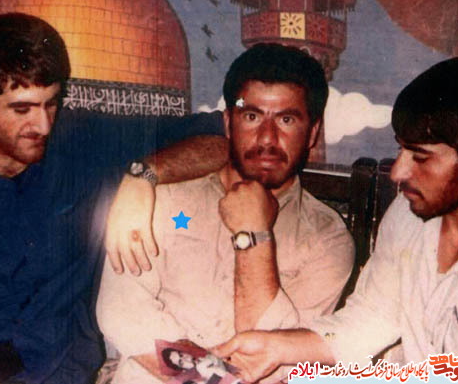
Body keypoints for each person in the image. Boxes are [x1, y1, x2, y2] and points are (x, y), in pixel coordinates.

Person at [0, 13, 228, 384]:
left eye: (50, 103)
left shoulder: (80, 138)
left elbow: (222, 137)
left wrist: (142, 176)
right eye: (22, 109)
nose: (44, 125)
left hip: (62, 372)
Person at [97, 43, 355, 383]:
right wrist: (212, 379)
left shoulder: (327, 238)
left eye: (287, 119)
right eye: (251, 116)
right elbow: (121, 310)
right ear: (228, 124)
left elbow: (276, 361)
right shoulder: (164, 199)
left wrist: (253, 235)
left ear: (313, 133)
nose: (267, 138)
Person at [212, 56, 458, 383]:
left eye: (420, 157)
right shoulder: (408, 216)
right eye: (401, 150)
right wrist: (277, 346)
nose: (398, 172)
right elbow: (370, 320)